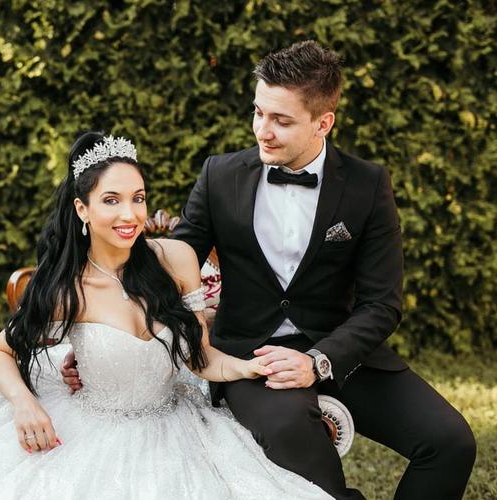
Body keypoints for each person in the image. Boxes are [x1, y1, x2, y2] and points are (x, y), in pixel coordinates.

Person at [62, 42, 476, 499]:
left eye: (281, 120)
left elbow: (382, 304)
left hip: (342, 352)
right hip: (251, 358)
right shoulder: (220, 176)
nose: (263, 130)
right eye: (258, 112)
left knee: (450, 443)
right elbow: (162, 268)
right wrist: (111, 340)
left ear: (323, 123)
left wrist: (317, 361)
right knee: (291, 430)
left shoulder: (367, 185)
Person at [0, 132, 332, 499]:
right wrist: (25, 404)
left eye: (137, 199)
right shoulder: (65, 289)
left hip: (177, 421)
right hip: (92, 429)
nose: (129, 215)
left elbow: (200, 358)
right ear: (82, 209)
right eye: (111, 201)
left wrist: (248, 366)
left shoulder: (175, 261)